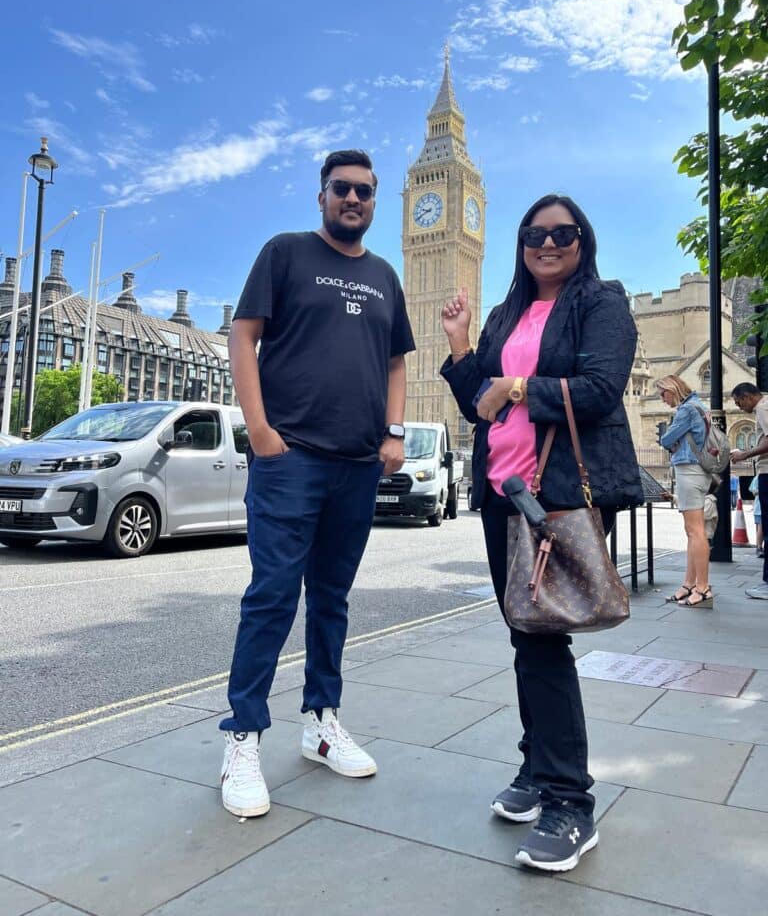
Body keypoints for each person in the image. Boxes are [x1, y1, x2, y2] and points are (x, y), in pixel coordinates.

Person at [440, 193, 642, 873]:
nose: (548, 243)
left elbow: (600, 390)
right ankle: (536, 769)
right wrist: (465, 347)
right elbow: (479, 403)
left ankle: (569, 803)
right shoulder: (508, 312)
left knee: (542, 639)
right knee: (525, 631)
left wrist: (519, 386)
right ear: (521, 243)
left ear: (583, 239)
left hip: (558, 498)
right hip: (505, 495)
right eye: (534, 233)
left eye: (563, 233)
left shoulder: (600, 301)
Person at [219, 149, 415, 817]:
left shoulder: (386, 276)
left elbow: (395, 362)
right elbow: (243, 338)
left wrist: (395, 433)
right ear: (322, 195)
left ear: (374, 200)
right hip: (290, 458)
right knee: (272, 597)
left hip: (358, 464)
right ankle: (243, 736)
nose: (353, 199)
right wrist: (261, 432)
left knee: (331, 600)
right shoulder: (286, 253)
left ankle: (321, 723)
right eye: (342, 189)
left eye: (364, 191)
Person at [657, 375, 713, 608]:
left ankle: (703, 587)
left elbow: (666, 439)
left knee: (695, 531)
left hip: (689, 470)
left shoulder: (687, 409)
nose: (662, 399)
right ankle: (689, 583)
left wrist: (667, 437)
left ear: (673, 389)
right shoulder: (699, 406)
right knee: (692, 531)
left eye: (663, 393)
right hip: (698, 470)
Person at [731, 383, 768, 599]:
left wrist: (744, 454)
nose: (739, 407)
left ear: (747, 397)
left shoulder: (763, 408)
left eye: (738, 402)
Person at [748, 474, 763, 559]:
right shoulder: (758, 477)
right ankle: (759, 547)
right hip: (760, 507)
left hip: (760, 507)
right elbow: (753, 491)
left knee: (760, 528)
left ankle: (759, 546)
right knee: (760, 527)